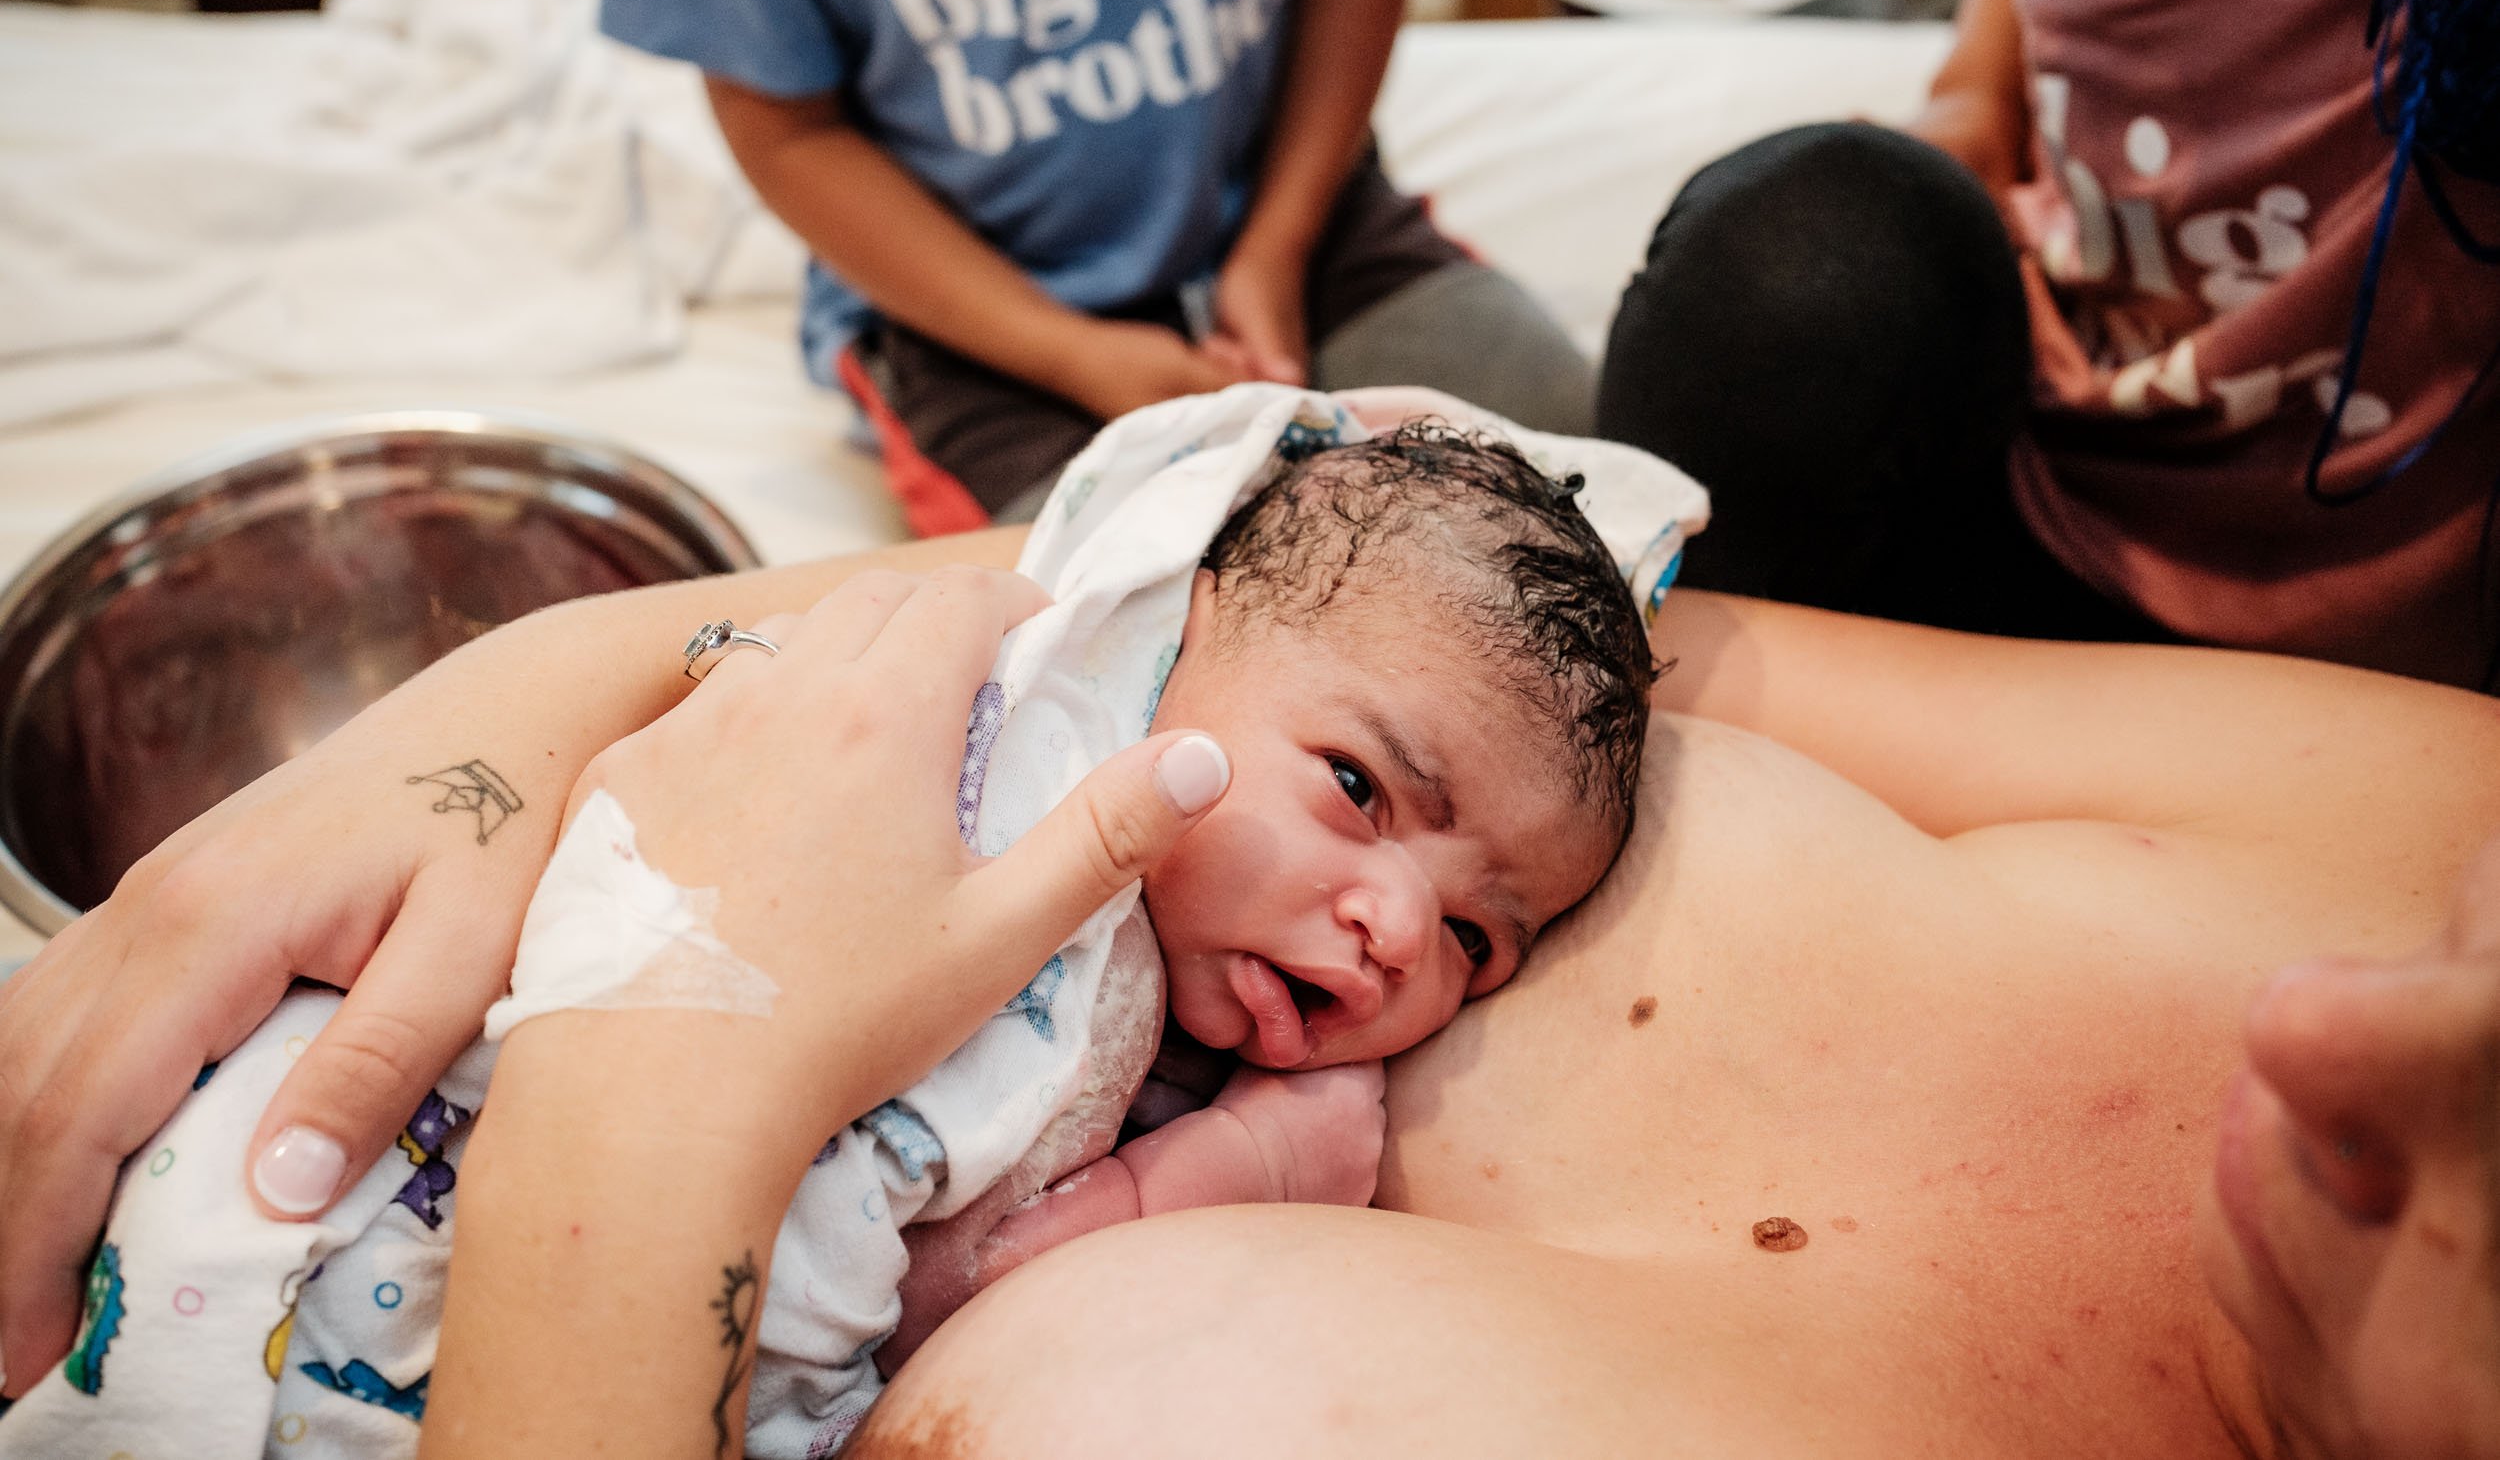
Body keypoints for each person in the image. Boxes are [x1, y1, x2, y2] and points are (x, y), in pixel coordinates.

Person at [2, 508, 2499, 1452]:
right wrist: (516, 711)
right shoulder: (2430, 828)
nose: (2328, 1021)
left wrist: (654, 1105)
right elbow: (1361, 580)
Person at [0, 405, 1673, 1457]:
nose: (1398, 930)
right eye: (1363, 788)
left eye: (1484, 937)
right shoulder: (1012, 779)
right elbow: (972, 1273)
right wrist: (1251, 1166)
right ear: (1171, 639)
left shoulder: (1173, 985)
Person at [1595, 0, 2500, 686]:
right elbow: (1994, 43)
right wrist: (1973, 108)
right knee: (1798, 254)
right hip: (2039, 482)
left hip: (2354, 657)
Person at [597, 0, 1594, 534]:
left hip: (1299, 207)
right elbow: (787, 133)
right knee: (1130, 623)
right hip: (978, 321)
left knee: (1578, 478)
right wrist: (1070, 351)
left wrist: (1276, 244)